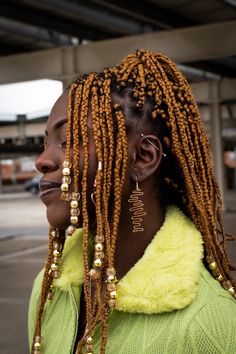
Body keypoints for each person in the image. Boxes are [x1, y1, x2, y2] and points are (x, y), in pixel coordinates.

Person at [28, 49, 236, 354]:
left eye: (69, 140)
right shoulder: (48, 289)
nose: (42, 160)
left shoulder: (211, 325)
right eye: (46, 143)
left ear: (142, 158)